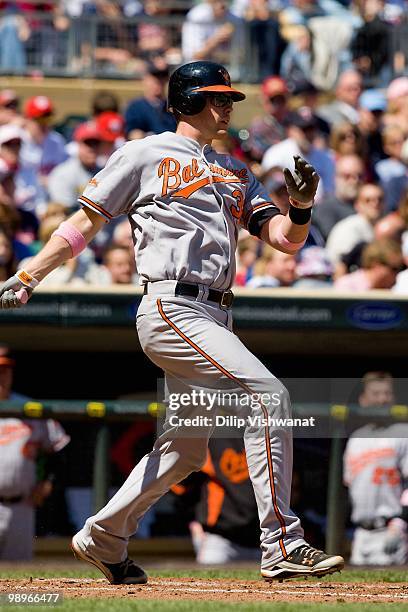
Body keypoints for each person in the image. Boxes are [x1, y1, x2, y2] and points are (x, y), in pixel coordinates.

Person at [0, 60, 344, 583]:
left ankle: (104, 536)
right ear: (187, 101)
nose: (227, 106)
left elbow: (283, 241)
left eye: (229, 98)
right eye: (216, 97)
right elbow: (85, 220)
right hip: (171, 304)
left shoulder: (237, 170)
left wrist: (299, 208)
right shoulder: (144, 153)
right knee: (267, 397)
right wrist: (28, 276)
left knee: (184, 450)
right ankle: (283, 542)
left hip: (216, 313)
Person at [0, 346, 70, 560]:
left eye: (5, 370)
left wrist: (48, 483)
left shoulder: (30, 408)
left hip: (22, 506)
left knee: (17, 574)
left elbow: (59, 451)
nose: (0, 376)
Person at [343, 372, 408, 565]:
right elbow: (348, 487)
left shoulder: (403, 432)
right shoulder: (355, 438)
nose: (382, 399)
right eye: (376, 393)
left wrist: (399, 524)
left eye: (387, 393)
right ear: (363, 400)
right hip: (361, 533)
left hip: (391, 528)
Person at [326, 183, 385, 265]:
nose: (375, 203)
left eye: (379, 199)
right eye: (368, 200)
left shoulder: (384, 226)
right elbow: (341, 264)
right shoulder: (349, 228)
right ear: (357, 205)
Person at [312, 154, 365, 240]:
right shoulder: (325, 208)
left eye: (359, 176)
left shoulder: (371, 204)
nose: (355, 181)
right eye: (347, 176)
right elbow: (334, 240)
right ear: (335, 178)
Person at [124, 61, 176, 139]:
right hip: (148, 148)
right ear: (145, 79)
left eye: (163, 76)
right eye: (155, 76)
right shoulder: (136, 107)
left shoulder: (173, 107)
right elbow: (133, 134)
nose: (159, 81)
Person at [334, 238, 403, 291]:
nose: (397, 274)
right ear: (375, 264)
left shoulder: (398, 288)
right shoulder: (346, 285)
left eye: (401, 268)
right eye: (394, 268)